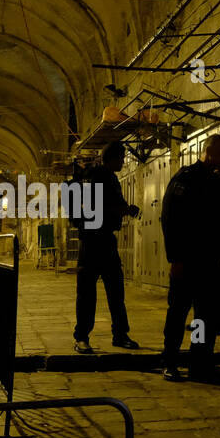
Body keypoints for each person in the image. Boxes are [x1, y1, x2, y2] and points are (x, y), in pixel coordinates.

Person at [159, 133, 220, 383]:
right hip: (187, 261)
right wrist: (176, 258)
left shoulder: (215, 182)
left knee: (203, 318)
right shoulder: (186, 178)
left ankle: (198, 363)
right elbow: (170, 219)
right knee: (178, 314)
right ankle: (170, 362)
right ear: (209, 152)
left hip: (209, 263)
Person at [73, 141, 141, 352]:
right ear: (111, 158)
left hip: (100, 240)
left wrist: (123, 209)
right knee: (95, 293)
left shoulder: (102, 177)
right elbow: (100, 206)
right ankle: (86, 337)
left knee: (111, 291)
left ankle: (114, 335)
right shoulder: (100, 177)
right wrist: (124, 210)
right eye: (121, 159)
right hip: (94, 241)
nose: (122, 162)